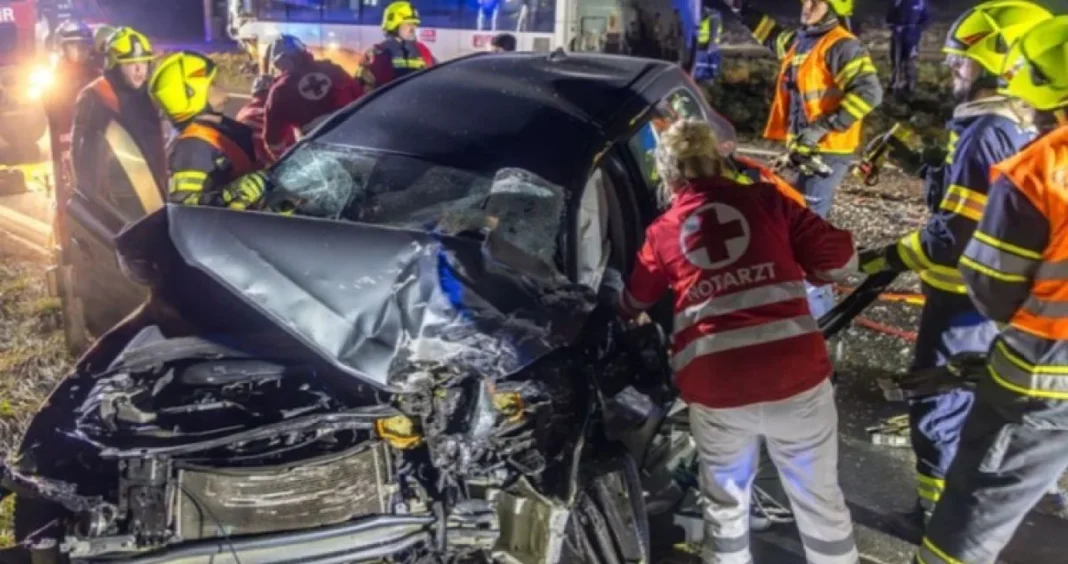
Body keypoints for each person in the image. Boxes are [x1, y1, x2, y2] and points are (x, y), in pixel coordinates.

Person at [618, 118, 859, 564]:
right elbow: (839, 259)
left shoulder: (663, 231)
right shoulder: (767, 201)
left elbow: (634, 300)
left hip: (718, 389)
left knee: (726, 505)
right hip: (795, 380)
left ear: (668, 176)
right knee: (819, 501)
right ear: (719, 161)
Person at [859, 0, 1053, 531]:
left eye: (962, 61)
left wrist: (883, 257)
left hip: (961, 298)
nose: (951, 69)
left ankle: (934, 520)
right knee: (967, 402)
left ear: (1001, 66)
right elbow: (970, 197)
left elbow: (954, 234)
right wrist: (918, 164)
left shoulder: (987, 130)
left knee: (936, 406)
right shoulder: (1011, 126)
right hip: (990, 296)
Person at [912, 15, 1068, 564]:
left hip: (1043, 378)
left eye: (963, 60)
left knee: (972, 514)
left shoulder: (1037, 169)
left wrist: (900, 254)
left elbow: (991, 283)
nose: (954, 70)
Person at [728, 0, 880, 219]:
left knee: (807, 218)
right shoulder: (801, 41)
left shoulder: (843, 46)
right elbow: (771, 34)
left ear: (834, 8)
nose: (807, 6)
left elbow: (869, 94)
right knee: (792, 214)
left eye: (815, 2)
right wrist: (740, 8)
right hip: (803, 147)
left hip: (828, 147)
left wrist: (819, 129)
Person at [149, 51, 263, 210]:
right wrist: (226, 197)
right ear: (191, 93)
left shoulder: (221, 130)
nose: (220, 86)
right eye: (212, 83)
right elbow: (185, 209)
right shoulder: (192, 148)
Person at [70, 27, 166, 205]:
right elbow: (83, 155)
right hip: (118, 200)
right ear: (115, 65)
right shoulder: (95, 96)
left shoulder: (150, 95)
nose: (139, 69)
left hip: (152, 193)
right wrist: (95, 203)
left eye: (143, 62)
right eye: (130, 64)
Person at [262, 34, 364, 161]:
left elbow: (273, 141)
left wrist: (287, 164)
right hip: (354, 137)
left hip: (317, 151)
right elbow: (360, 96)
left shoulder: (280, 90)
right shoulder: (332, 69)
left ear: (279, 63)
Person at [43, 20, 98, 218]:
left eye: (84, 46)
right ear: (63, 48)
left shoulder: (96, 74)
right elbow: (55, 115)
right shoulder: (56, 78)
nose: (80, 51)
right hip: (67, 145)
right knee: (68, 190)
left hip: (94, 141)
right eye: (75, 46)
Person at [359, 1, 436, 92]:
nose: (413, 29)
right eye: (408, 24)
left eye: (414, 24)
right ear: (394, 25)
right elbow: (362, 90)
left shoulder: (423, 50)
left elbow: (437, 77)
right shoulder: (376, 55)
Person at [235, 74, 285, 168]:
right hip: (271, 167)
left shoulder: (242, 113)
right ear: (273, 92)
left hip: (246, 166)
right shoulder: (270, 113)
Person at [886, 0, 930, 98]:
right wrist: (895, 27)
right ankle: (895, 85)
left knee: (910, 61)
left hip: (913, 37)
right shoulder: (897, 1)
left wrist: (917, 29)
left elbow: (926, 19)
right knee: (896, 61)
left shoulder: (920, 2)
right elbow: (889, 19)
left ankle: (910, 87)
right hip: (898, 36)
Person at [691, 6, 724, 84]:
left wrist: (710, 47)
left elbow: (713, 34)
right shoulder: (707, 17)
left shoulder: (714, 18)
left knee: (707, 63)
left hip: (708, 46)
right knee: (702, 64)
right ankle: (700, 78)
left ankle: (705, 79)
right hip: (703, 46)